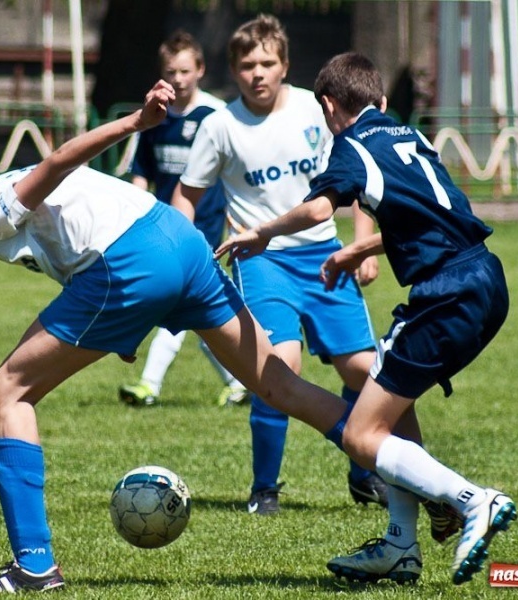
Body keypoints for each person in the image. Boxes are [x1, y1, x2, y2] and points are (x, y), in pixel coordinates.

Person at [0, 80, 368, 594]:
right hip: (177, 237)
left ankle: (33, 565)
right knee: (280, 386)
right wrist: (125, 324)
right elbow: (68, 229)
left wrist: (135, 123)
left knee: (6, 390)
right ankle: (402, 466)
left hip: (130, 261)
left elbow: (57, 163)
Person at [216, 52, 517, 586]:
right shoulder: (409, 135)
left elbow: (318, 210)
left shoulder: (351, 144)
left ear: (329, 106)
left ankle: (472, 500)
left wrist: (263, 232)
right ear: (380, 99)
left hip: (446, 292)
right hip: (485, 279)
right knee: (392, 409)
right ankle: (400, 545)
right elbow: (444, 212)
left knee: (360, 434)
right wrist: (360, 250)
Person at [170, 14, 387, 515]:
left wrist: (362, 243)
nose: (257, 73)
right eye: (247, 65)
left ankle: (364, 472)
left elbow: (358, 177)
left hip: (326, 256)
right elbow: (187, 194)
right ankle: (264, 489)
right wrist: (182, 251)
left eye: (267, 63)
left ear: (285, 65)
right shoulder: (220, 126)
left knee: (364, 371)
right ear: (233, 70)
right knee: (280, 366)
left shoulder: (316, 110)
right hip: (261, 260)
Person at [117, 30, 248, 408]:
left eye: (185, 71)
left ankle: (149, 386)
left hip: (205, 229)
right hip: (162, 228)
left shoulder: (216, 115)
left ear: (200, 70)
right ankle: (241, 384)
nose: (178, 79)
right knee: (196, 313)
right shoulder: (154, 116)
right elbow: (142, 173)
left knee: (177, 306)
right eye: (171, 72)